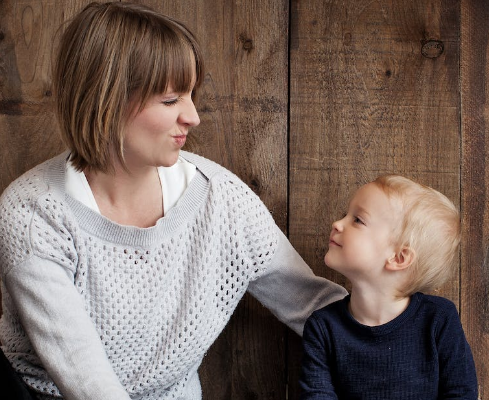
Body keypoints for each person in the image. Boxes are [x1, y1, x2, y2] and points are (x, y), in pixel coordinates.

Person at [0, 2, 347, 399]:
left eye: (191, 95)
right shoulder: (33, 214)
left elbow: (315, 306)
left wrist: (420, 332)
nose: (193, 117)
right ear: (106, 101)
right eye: (170, 100)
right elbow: (88, 384)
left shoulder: (221, 199)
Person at [299, 175, 478, 399]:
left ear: (399, 257)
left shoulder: (439, 319)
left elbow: (461, 393)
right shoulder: (323, 327)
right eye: (345, 215)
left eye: (357, 220)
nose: (337, 224)